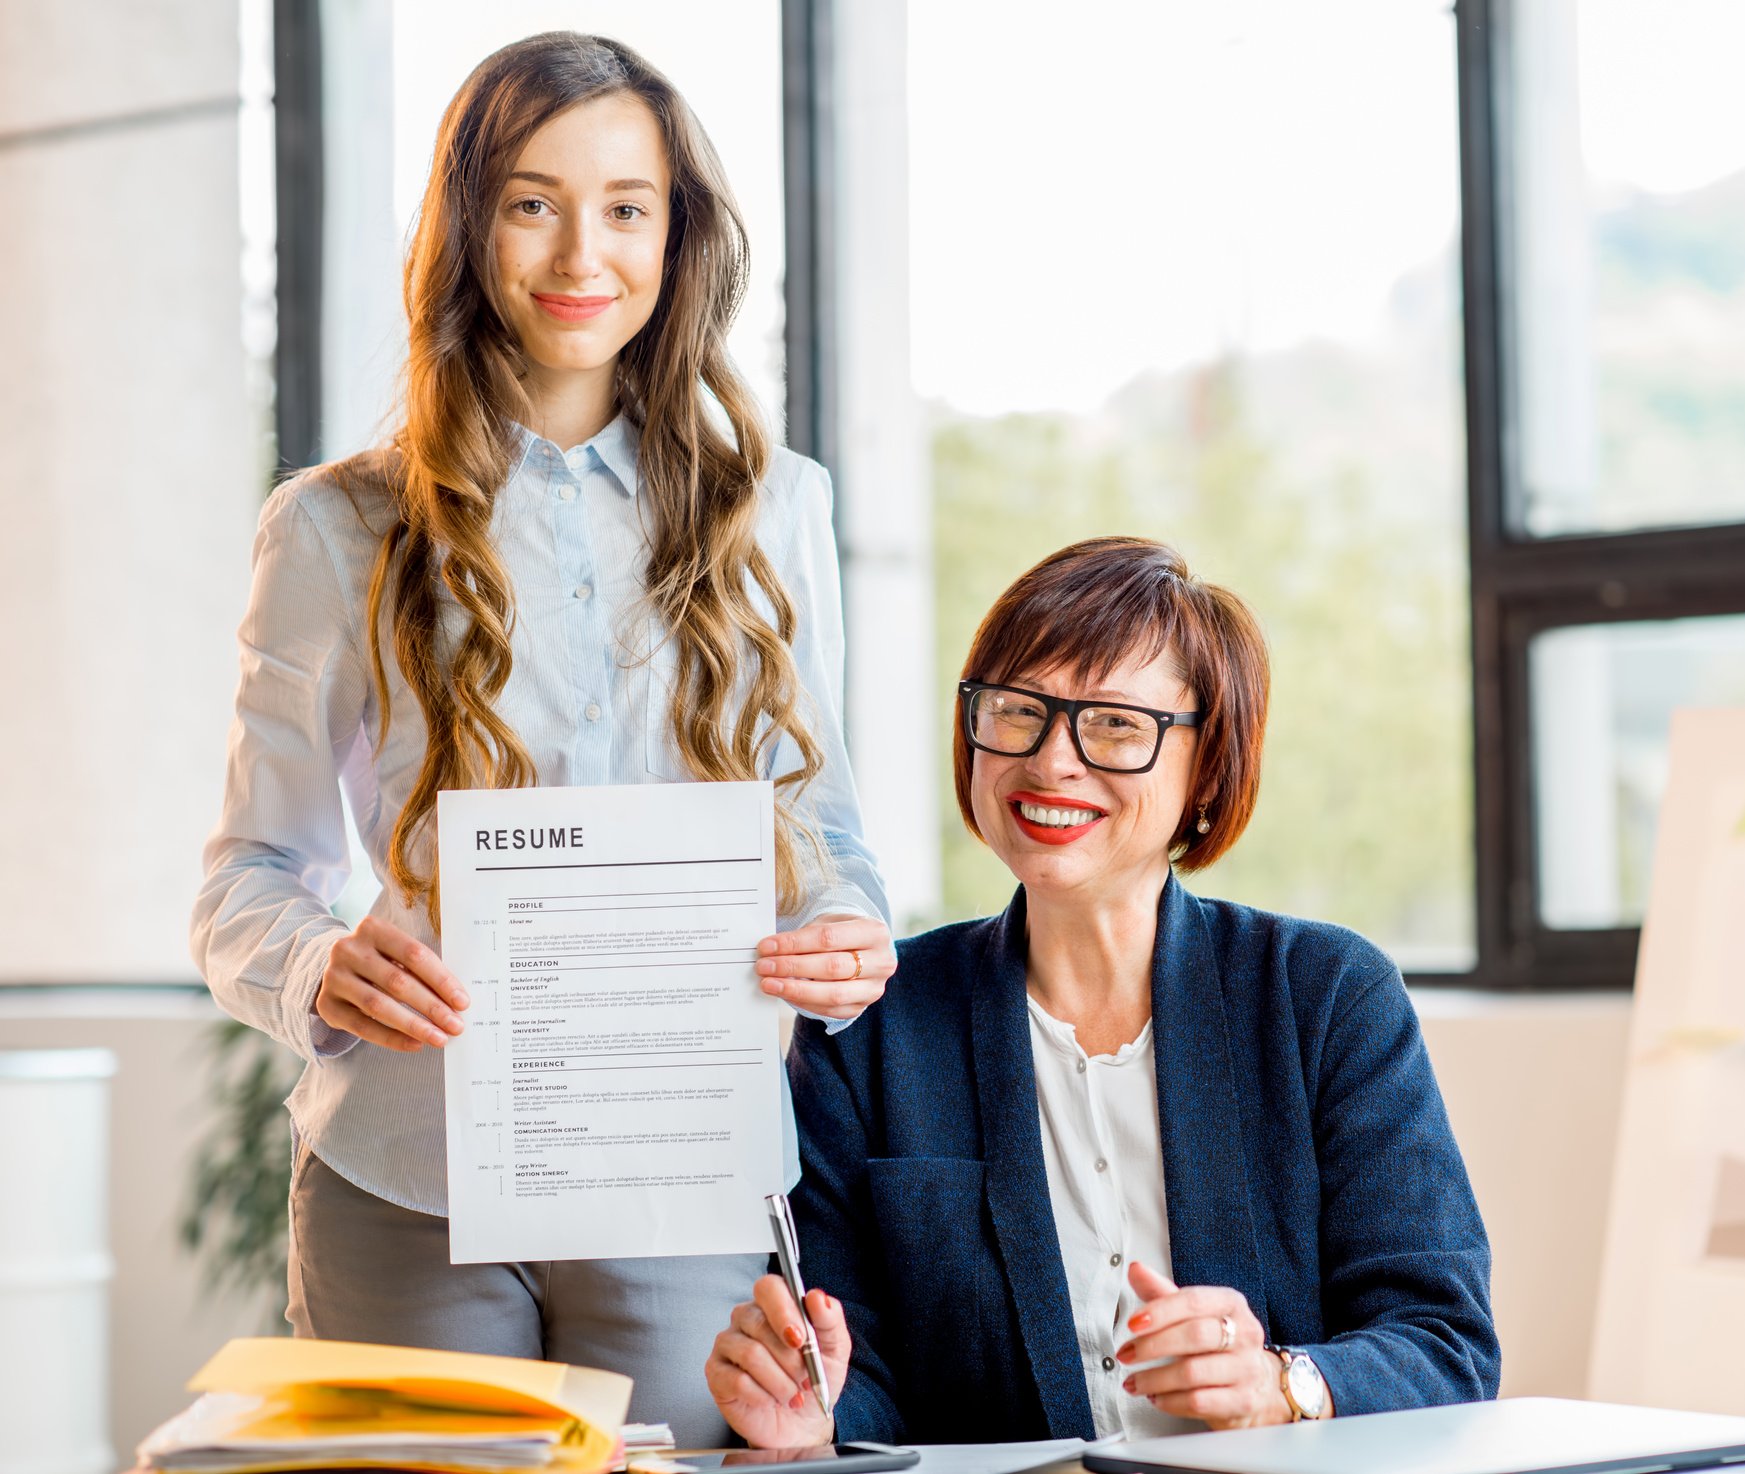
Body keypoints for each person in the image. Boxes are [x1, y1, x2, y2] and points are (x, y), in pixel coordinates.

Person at [189, 32, 893, 1446]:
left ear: (676, 234)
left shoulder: (781, 512)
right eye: (532, 200)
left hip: (680, 1169)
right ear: (469, 225)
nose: (585, 249)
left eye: (628, 205)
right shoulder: (335, 528)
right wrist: (321, 960)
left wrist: (846, 933)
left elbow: (826, 838)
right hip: (404, 1170)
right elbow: (246, 878)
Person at [706, 537, 1499, 1445]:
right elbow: (868, 1376)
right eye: (1018, 712)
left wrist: (1284, 1385)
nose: (1051, 762)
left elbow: (1447, 1345)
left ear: (1207, 769)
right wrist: (812, 1415)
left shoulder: (1324, 996)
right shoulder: (873, 1026)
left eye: (1116, 724)